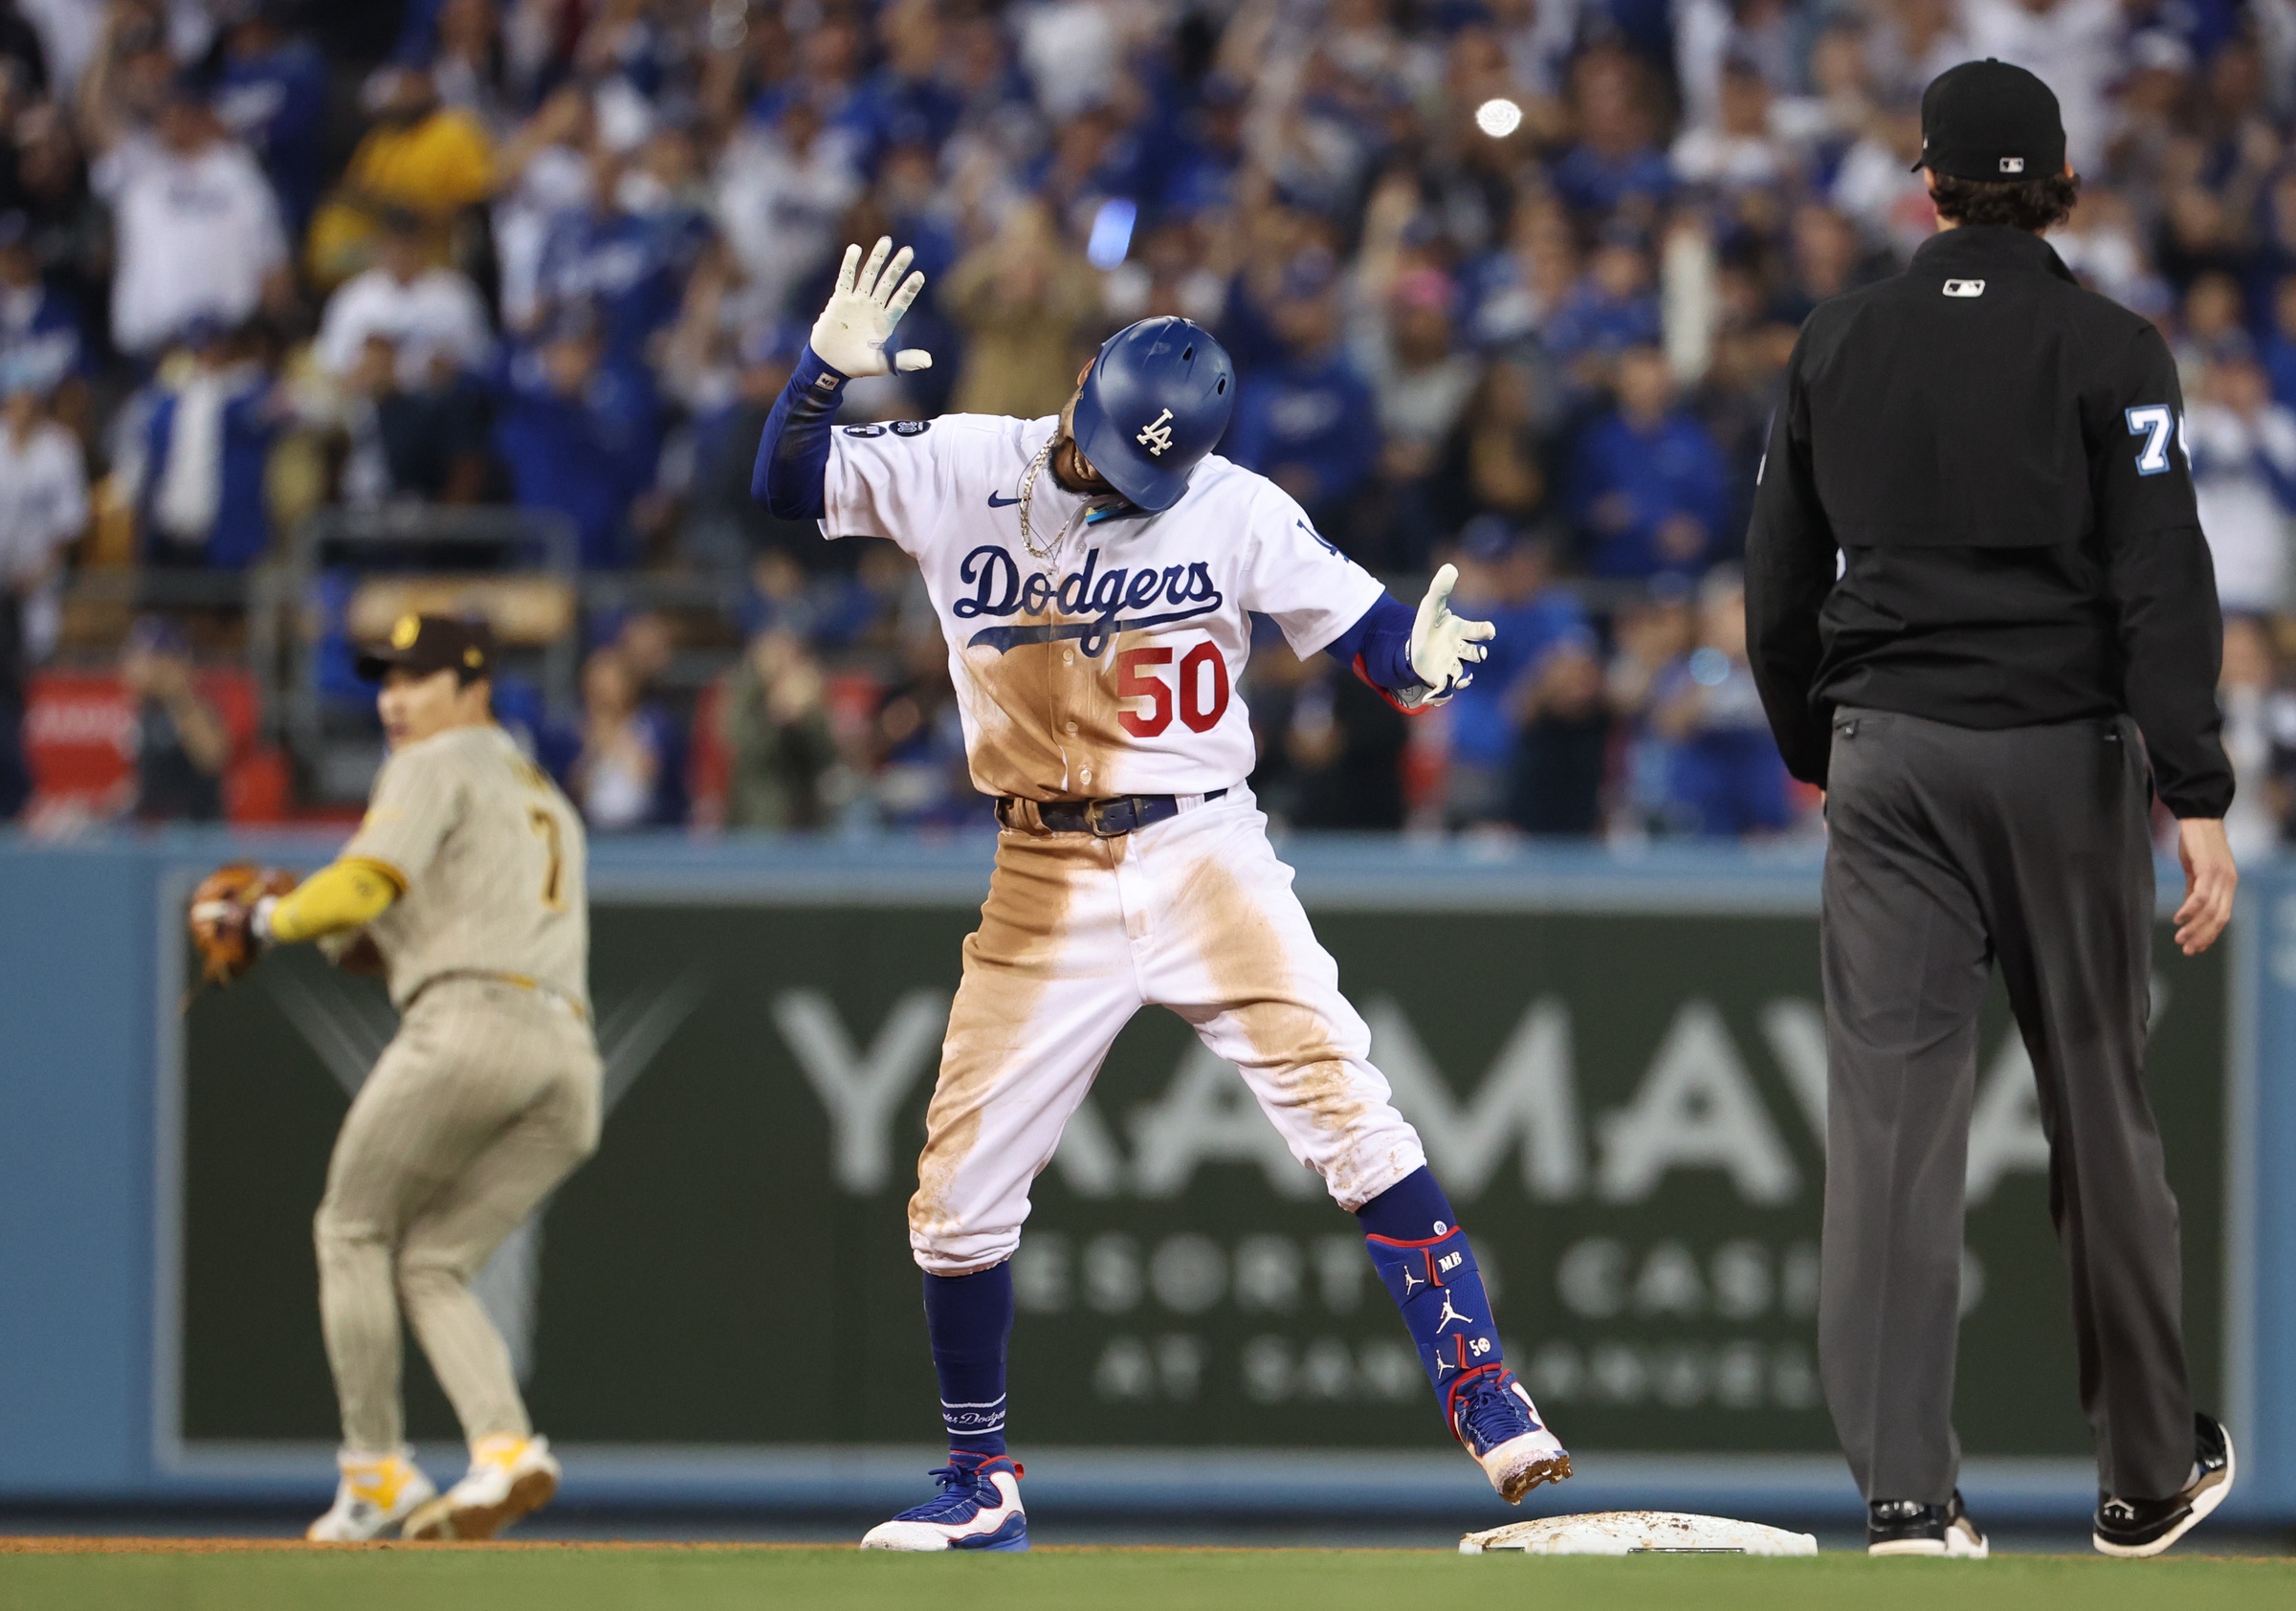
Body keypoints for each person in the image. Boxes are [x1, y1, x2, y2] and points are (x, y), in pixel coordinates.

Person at [754, 240, 1570, 1553]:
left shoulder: (1232, 504)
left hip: (1204, 853)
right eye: (1113, 453)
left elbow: (1369, 638)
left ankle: (1486, 1396)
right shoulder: (969, 460)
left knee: (1346, 1110)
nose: (1124, 484)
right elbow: (787, 487)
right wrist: (814, 379)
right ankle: (981, 1480)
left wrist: (1414, 668)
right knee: (956, 1196)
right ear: (1080, 385)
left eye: (1152, 472)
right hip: (1041, 864)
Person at [1745, 60, 2239, 1559]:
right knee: (2099, 1108)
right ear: (2060, 179)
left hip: (1891, 754)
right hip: (2060, 759)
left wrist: (1816, 744)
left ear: (1930, 179)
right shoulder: (2115, 348)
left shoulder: (1838, 339)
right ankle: (2149, 1474)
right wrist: (2195, 790)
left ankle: (1906, 1496)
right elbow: (2163, 573)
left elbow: (1777, 580)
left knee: (1889, 1132)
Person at [185, 614, 597, 1542]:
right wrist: (314, 916)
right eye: (386, 679)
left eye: (418, 678)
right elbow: (384, 935)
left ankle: (374, 1474)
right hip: (567, 1061)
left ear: (474, 686)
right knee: (433, 1260)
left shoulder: (434, 763)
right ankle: (506, 1450)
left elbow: (366, 886)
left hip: (470, 1026)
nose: (395, 698)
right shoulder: (543, 794)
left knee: (351, 1226)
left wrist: (265, 920)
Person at [0, 355, 83, 816]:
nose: (23, 406)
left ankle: (25, 787)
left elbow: (69, 528)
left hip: (37, 589)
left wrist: (37, 573)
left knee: (27, 676)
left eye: (30, 398)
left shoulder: (58, 449)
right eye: (16, 398)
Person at [118, 614, 229, 823]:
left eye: (140, 656)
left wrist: (179, 696)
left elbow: (214, 757)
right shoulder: (148, 709)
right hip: (155, 835)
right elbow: (151, 782)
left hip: (195, 834)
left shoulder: (194, 706)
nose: (130, 664)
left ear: (167, 662)